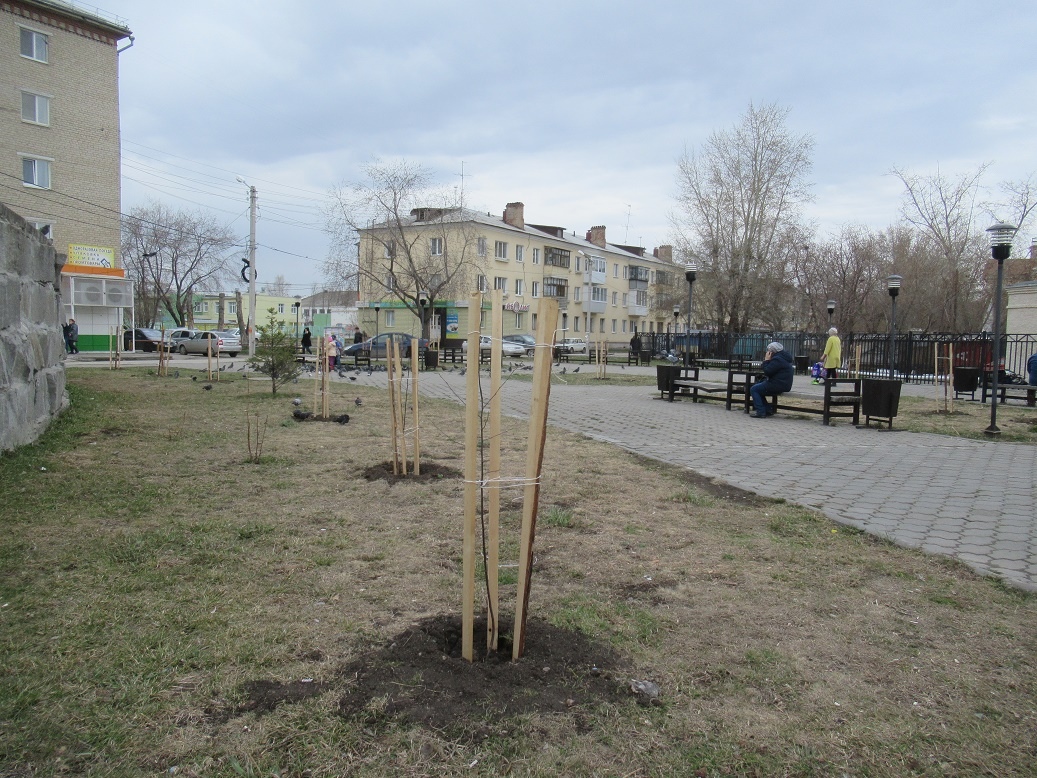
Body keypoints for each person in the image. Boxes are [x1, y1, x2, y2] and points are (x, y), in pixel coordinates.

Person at [750, 341, 794, 418]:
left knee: (754, 389)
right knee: (758, 387)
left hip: (777, 385)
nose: (767, 352)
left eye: (768, 351)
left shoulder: (777, 359)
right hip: (784, 384)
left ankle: (761, 411)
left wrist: (766, 360)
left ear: (771, 352)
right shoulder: (784, 358)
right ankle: (767, 410)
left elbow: (767, 371)